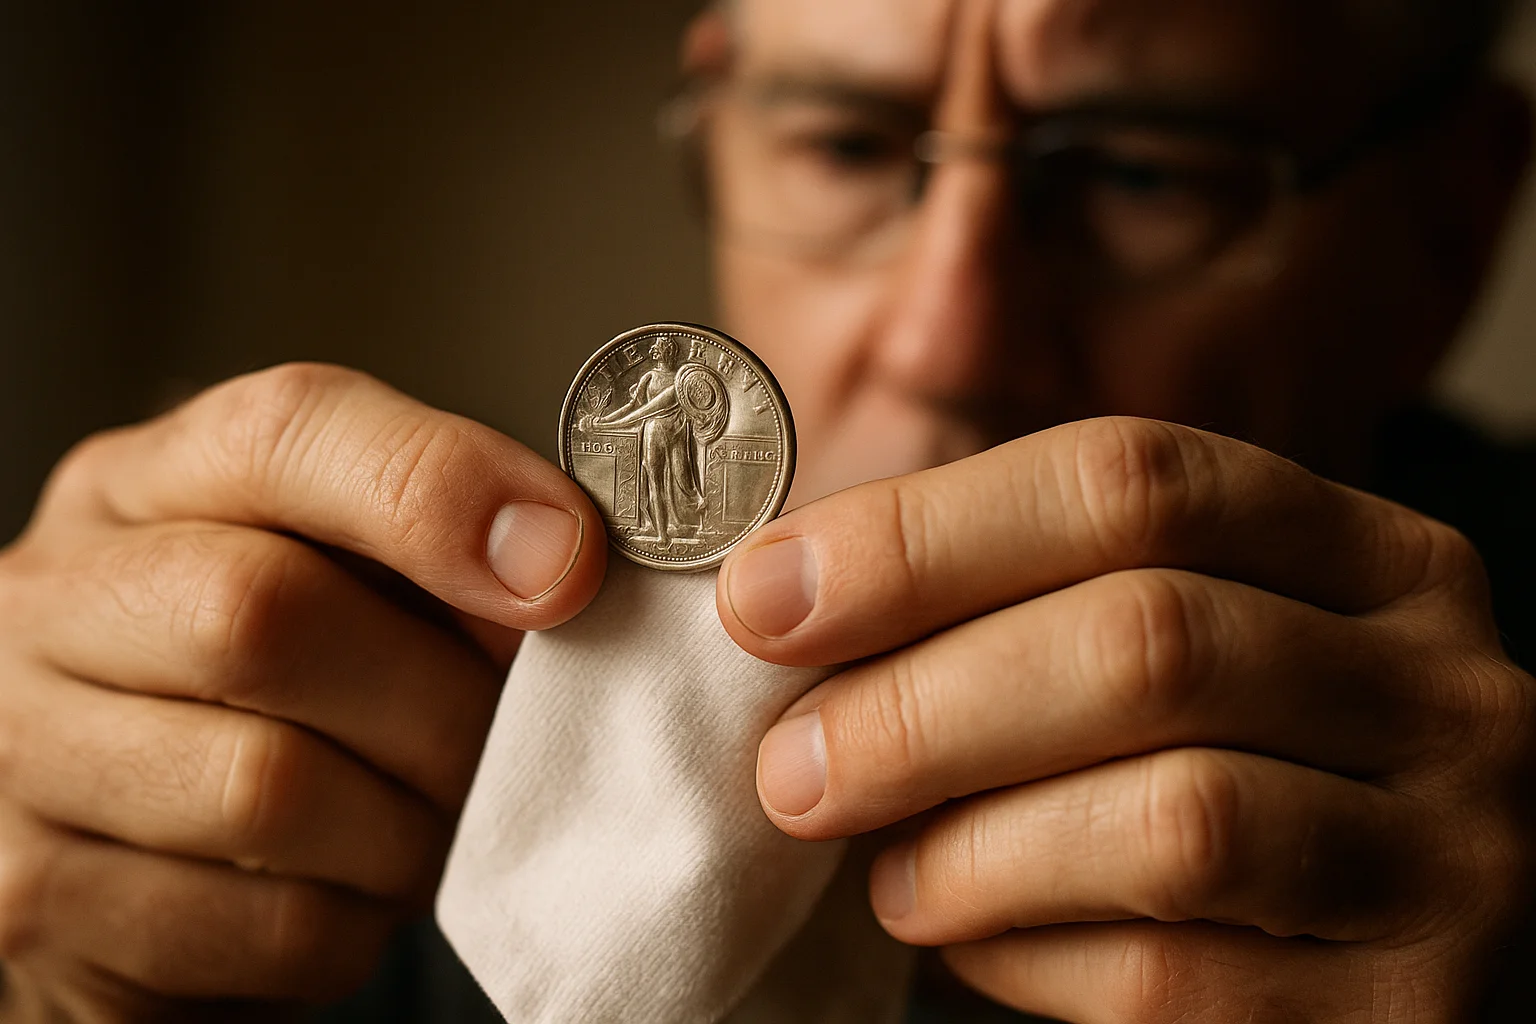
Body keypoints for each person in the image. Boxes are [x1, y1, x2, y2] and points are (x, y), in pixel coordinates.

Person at [0, 0, 1533, 1020]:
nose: (945, 335)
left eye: (1144, 172)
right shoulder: (365, 766)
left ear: (1449, 232)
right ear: (717, 122)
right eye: (851, 145)